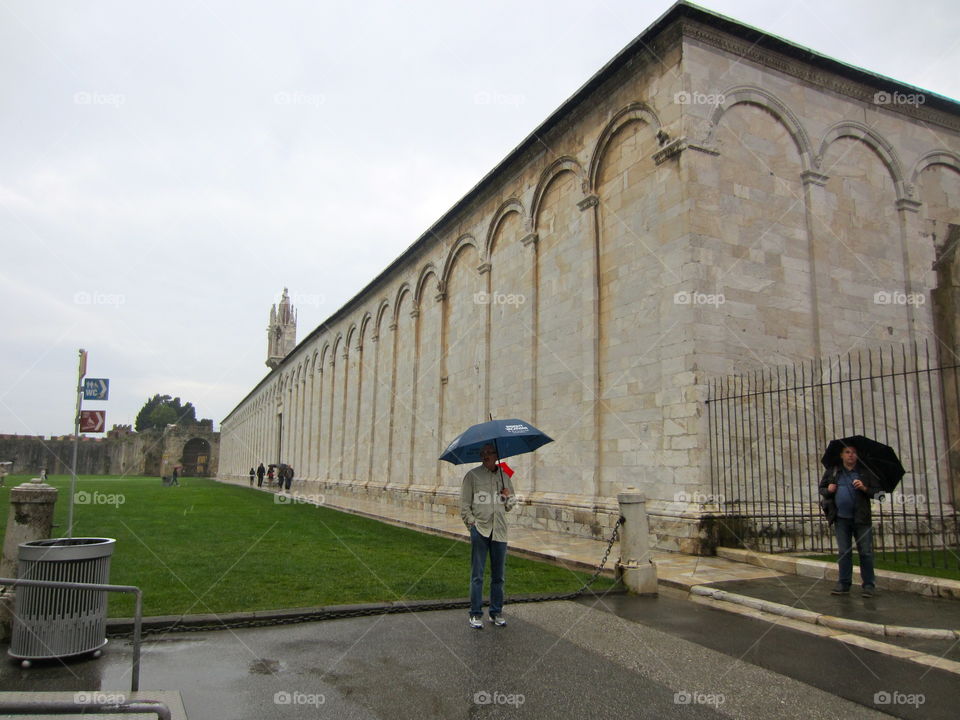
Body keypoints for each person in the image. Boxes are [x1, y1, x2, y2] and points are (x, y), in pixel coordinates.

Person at [460, 444, 516, 629]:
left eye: (489, 452)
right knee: (477, 575)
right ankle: (475, 614)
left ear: (496, 455)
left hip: (499, 531)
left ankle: (496, 612)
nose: (485, 455)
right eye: (483, 453)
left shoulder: (505, 476)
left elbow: (510, 505)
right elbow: (464, 505)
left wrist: (507, 496)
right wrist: (472, 524)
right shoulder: (472, 476)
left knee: (498, 576)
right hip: (481, 530)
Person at [819, 444, 880, 597]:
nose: (851, 455)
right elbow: (822, 489)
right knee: (844, 552)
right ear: (841, 455)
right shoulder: (833, 471)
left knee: (865, 552)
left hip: (861, 519)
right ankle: (844, 583)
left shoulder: (865, 472)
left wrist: (865, 488)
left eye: (853, 452)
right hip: (841, 519)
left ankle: (868, 585)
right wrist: (829, 490)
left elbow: (880, 494)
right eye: (847, 452)